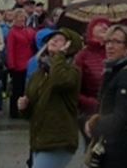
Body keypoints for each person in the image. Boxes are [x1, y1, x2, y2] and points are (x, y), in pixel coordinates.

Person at [18, 28, 82, 168]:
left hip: (59, 140)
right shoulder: (38, 74)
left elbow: (59, 81)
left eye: (60, 40)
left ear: (69, 47)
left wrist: (60, 55)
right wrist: (24, 107)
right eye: (52, 38)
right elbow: (30, 109)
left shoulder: (72, 71)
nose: (54, 41)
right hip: (39, 139)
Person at [84, 24, 127, 167]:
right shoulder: (111, 71)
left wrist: (94, 124)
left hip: (123, 151)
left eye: (116, 42)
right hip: (111, 146)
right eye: (108, 41)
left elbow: (121, 117)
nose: (110, 46)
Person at [75, 17, 110, 122]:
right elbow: (74, 89)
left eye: (107, 25)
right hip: (92, 115)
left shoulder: (114, 52)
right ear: (91, 30)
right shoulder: (82, 56)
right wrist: (91, 103)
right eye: (100, 24)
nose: (105, 27)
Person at [5, 8, 36, 119]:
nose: (22, 19)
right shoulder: (12, 32)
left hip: (29, 63)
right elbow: (10, 50)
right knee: (17, 90)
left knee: (27, 89)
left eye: (23, 16)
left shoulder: (28, 30)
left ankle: (25, 110)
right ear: (15, 18)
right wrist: (11, 65)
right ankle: (14, 111)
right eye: (19, 16)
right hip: (18, 64)